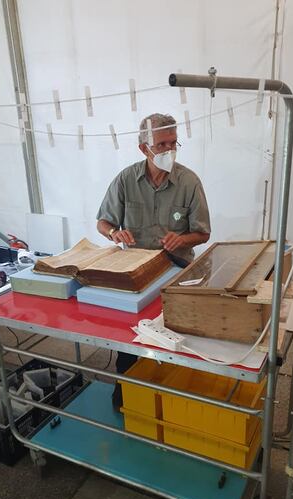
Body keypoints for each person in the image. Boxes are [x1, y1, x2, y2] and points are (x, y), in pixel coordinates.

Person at [96, 113, 211, 409]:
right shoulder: (125, 179)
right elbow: (103, 222)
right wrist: (115, 233)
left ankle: (176, 396)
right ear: (144, 149)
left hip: (177, 270)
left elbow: (203, 232)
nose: (169, 150)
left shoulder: (188, 181)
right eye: (161, 145)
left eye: (173, 143)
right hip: (136, 270)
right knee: (129, 338)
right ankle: (127, 391)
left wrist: (181, 240)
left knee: (175, 339)